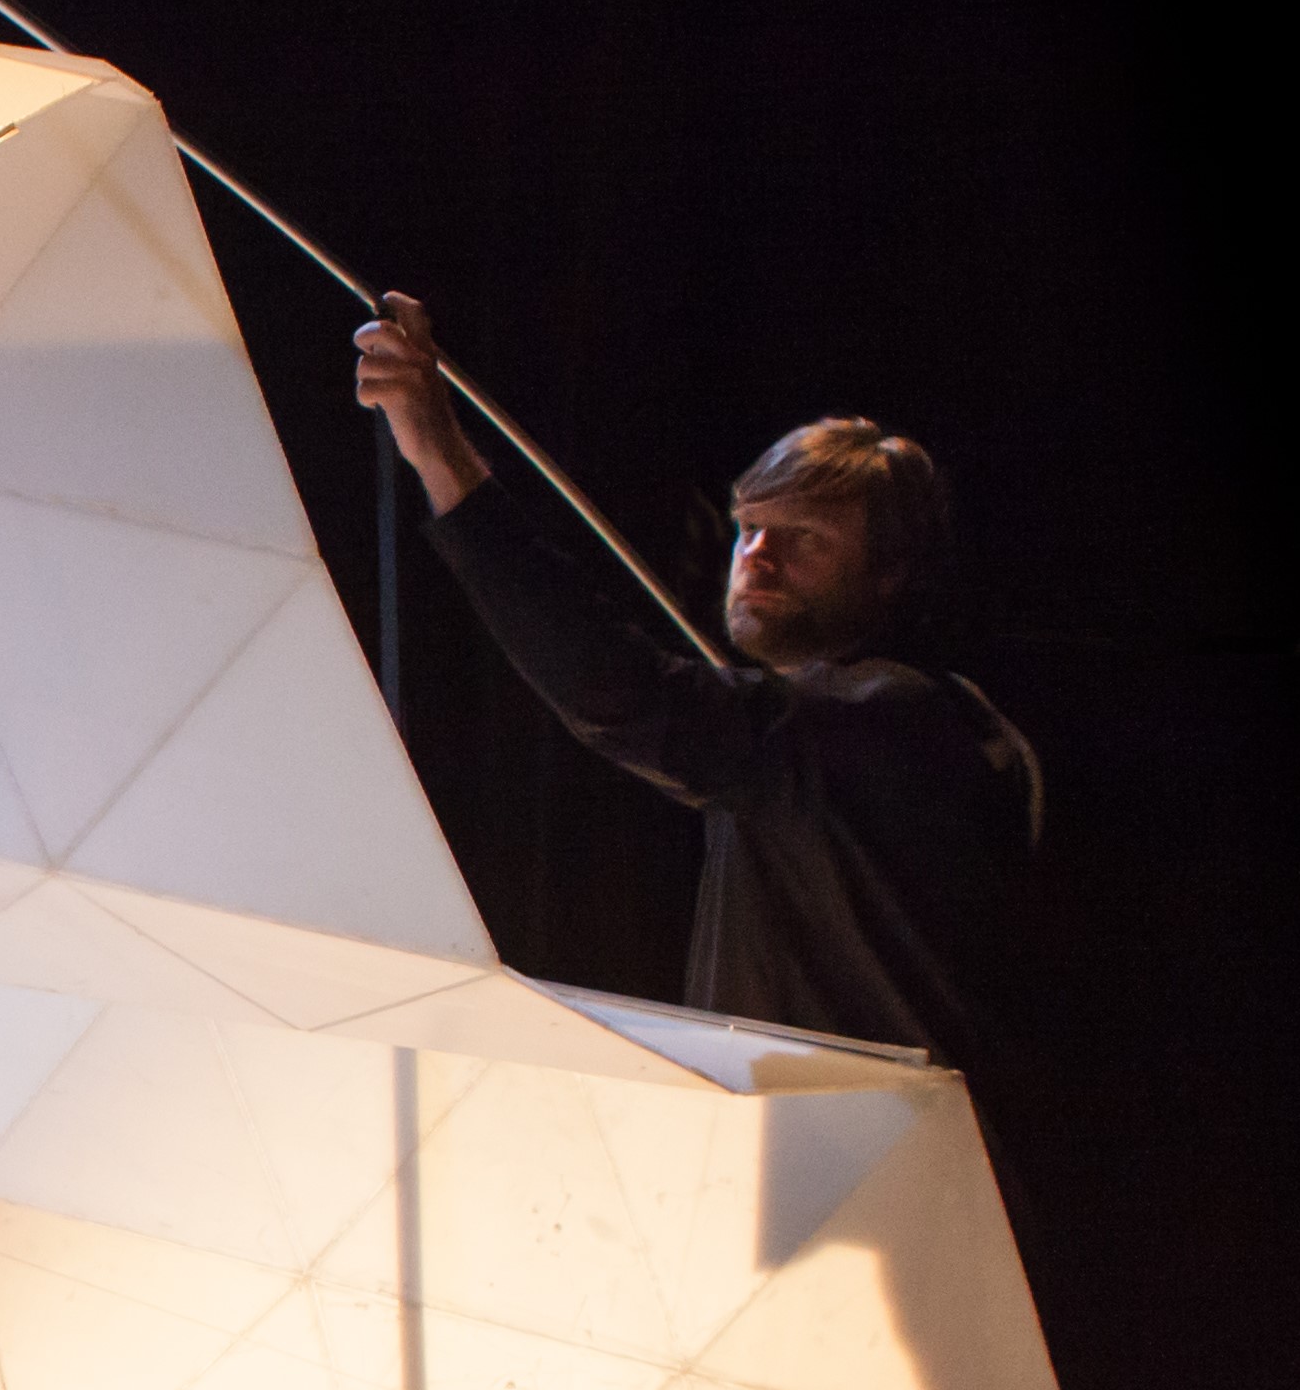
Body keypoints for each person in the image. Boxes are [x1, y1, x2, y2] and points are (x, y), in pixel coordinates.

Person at [358, 295, 1037, 1067]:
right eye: (749, 528)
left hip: (885, 1134)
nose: (757, 557)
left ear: (891, 571)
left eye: (803, 537)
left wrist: (440, 454)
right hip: (834, 1130)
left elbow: (621, 692)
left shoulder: (890, 719)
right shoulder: (834, 730)